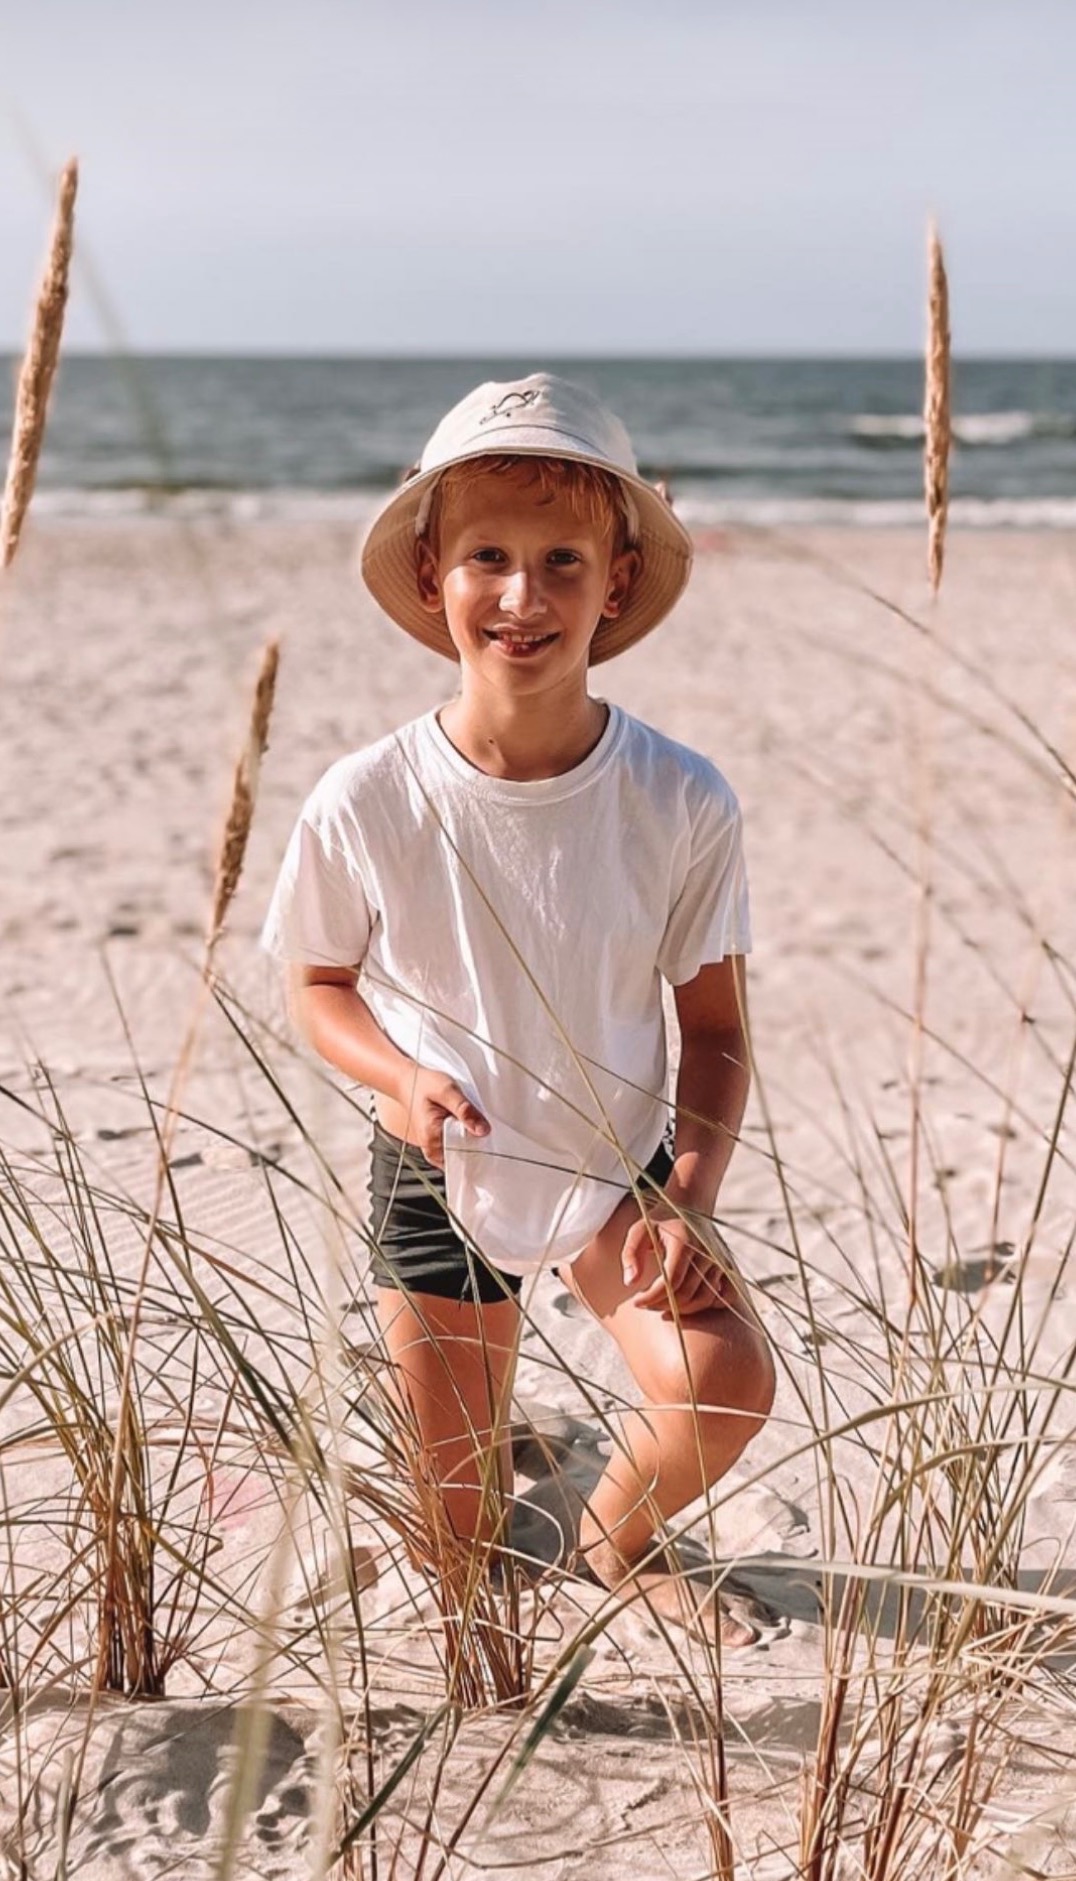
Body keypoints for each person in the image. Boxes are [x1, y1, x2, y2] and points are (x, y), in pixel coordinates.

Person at [261, 373, 775, 1646]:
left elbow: (713, 1029)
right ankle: (478, 1473)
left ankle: (614, 1540)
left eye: (561, 563)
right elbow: (316, 987)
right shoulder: (366, 796)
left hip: (616, 1166)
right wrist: (400, 1077)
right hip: (437, 1169)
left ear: (615, 585)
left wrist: (687, 1193)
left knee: (721, 1387)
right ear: (431, 574)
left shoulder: (678, 797)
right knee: (455, 1546)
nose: (522, 595)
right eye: (487, 557)